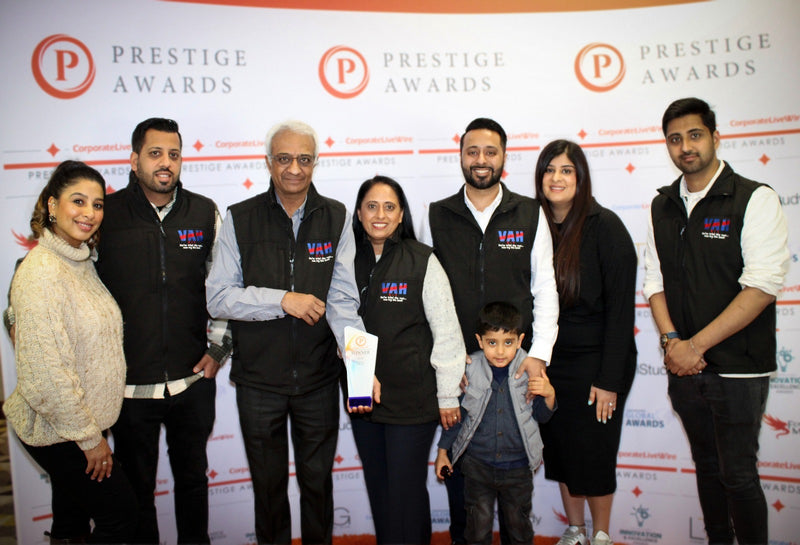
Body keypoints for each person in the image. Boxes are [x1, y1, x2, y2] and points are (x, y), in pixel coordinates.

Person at [206, 120, 365, 545]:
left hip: (318, 380)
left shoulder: (336, 216)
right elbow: (218, 298)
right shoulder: (240, 217)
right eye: (284, 158)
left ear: (315, 162)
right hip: (259, 383)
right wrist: (282, 300)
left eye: (304, 159)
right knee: (269, 492)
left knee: (318, 488)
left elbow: (343, 301)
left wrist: (362, 371)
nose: (294, 168)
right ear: (268, 162)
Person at [644, 97, 789, 544]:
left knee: (738, 476)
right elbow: (654, 282)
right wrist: (672, 341)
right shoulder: (663, 205)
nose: (685, 146)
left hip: (738, 369)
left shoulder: (754, 197)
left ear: (715, 137)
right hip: (685, 369)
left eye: (695, 135)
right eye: (675, 139)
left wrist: (695, 346)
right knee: (707, 469)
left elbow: (761, 287)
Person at [94, 118, 231, 544]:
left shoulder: (203, 212)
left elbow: (226, 286)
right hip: (129, 389)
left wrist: (219, 348)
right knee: (138, 495)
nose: (166, 163)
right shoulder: (105, 215)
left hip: (192, 382)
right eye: (155, 154)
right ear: (134, 160)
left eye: (173, 154)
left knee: (193, 483)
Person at [423, 117, 559, 544]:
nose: (481, 160)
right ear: (461, 155)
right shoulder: (437, 214)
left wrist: (539, 355)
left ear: (503, 157)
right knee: (464, 482)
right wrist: (447, 363)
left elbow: (545, 287)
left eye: (490, 151)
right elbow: (427, 293)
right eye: (472, 151)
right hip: (460, 367)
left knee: (516, 495)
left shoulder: (530, 212)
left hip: (514, 364)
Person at [3, 160, 137, 543]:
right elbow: (46, 375)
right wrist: (90, 440)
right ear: (51, 204)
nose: (89, 213)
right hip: (60, 429)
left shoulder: (79, 260)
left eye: (97, 204)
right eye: (78, 201)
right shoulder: (42, 272)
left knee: (72, 518)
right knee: (121, 517)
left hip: (79, 424)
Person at [350, 175, 465, 544]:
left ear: (401, 215)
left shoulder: (422, 260)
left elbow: (447, 331)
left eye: (389, 207)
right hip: (362, 399)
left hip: (412, 402)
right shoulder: (345, 260)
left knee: (406, 493)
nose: (380, 215)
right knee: (380, 491)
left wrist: (447, 395)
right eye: (371, 206)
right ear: (359, 213)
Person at [533, 140, 637, 545]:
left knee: (594, 453)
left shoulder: (605, 226)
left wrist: (609, 380)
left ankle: (602, 534)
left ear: (581, 177)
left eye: (566, 170)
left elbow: (621, 313)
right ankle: (575, 529)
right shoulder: (535, 226)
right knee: (561, 450)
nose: (556, 178)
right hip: (552, 363)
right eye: (549, 170)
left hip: (598, 363)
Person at [435, 301, 556, 545]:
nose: (500, 351)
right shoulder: (469, 369)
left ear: (520, 341)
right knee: (477, 531)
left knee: (518, 530)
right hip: (477, 467)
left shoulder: (531, 368)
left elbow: (542, 416)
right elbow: (458, 417)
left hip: (518, 467)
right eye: (492, 342)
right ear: (479, 341)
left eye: (508, 342)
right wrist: (442, 452)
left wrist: (550, 394)